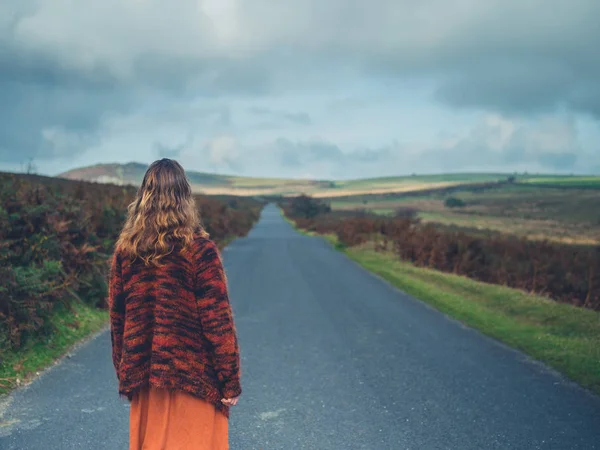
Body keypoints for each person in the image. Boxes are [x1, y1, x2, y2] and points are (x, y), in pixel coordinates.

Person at [108, 158, 241, 450]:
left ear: (144, 197)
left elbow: (118, 320)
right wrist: (229, 380)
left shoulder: (125, 252)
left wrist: (126, 370)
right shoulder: (200, 251)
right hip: (193, 378)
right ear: (184, 198)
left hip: (146, 380)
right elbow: (217, 321)